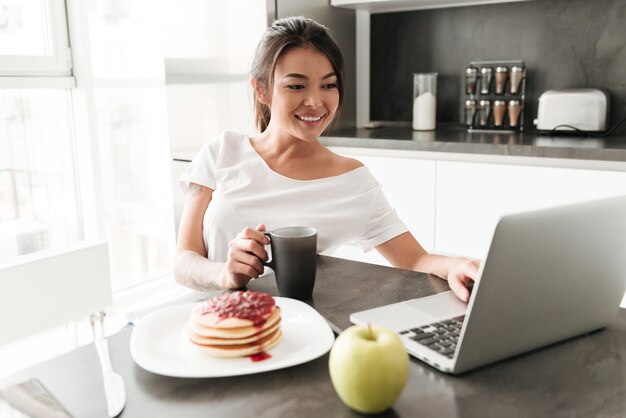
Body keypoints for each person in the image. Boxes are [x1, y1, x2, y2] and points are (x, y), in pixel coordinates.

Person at [174, 16, 479, 302]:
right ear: (261, 90)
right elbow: (184, 262)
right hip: (210, 328)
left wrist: (456, 265)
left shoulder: (352, 180)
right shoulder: (221, 152)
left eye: (328, 85)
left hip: (297, 334)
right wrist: (224, 273)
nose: (315, 102)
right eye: (296, 85)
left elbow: (414, 258)